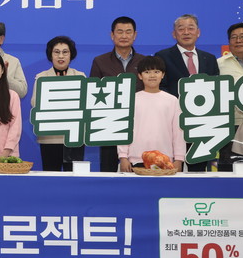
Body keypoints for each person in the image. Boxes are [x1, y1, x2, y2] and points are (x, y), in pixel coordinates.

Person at [155, 14, 219, 171]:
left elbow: (216, 90)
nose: (186, 32)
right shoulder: (162, 56)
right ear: (174, 34)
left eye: (191, 28)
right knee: (170, 169)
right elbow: (161, 87)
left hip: (201, 124)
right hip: (174, 122)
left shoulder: (210, 59)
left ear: (198, 32)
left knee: (198, 170)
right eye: (181, 29)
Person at [90, 16, 145, 172]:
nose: (124, 36)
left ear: (135, 35)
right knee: (108, 170)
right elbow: (93, 93)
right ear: (112, 35)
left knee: (139, 168)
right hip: (109, 124)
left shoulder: (145, 61)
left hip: (139, 123)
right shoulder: (100, 61)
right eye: (119, 32)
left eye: (128, 32)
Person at [118, 56, 185, 172]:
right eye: (147, 72)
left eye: (156, 72)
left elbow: (178, 132)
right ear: (140, 75)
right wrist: (123, 157)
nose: (152, 75)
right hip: (136, 158)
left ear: (163, 75)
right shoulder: (131, 100)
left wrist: (179, 158)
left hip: (165, 160)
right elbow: (124, 129)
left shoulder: (172, 100)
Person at [31, 36, 85, 171]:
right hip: (49, 137)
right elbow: (35, 103)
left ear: (71, 55)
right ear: (50, 55)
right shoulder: (42, 77)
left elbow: (84, 106)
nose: (61, 56)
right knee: (51, 176)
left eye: (65, 52)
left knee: (74, 178)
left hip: (74, 138)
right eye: (56, 52)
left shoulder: (80, 77)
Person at [217, 22, 243, 170]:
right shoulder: (219, 64)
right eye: (234, 37)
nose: (238, 40)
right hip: (230, 126)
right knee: (229, 170)